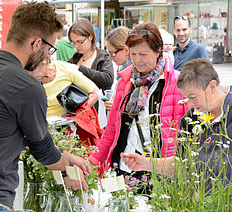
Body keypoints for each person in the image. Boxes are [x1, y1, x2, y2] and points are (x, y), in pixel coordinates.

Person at [0, 2, 91, 211]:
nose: (47, 56)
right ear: (36, 43)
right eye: (49, 48)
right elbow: (44, 154)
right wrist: (69, 168)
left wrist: (65, 155)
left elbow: (4, 133)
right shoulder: (27, 86)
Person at [88, 22, 187, 194]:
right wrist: (91, 164)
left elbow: (186, 135)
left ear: (158, 52)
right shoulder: (126, 81)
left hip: (157, 172)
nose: (137, 60)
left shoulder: (176, 84)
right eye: (133, 54)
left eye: (143, 54)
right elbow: (111, 130)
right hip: (123, 167)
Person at [121, 58, 232, 192]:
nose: (189, 105)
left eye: (193, 97)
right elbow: (182, 165)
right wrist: (146, 163)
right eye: (186, 98)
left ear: (212, 86)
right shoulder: (191, 119)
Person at [30, 58, 98, 117]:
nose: (29, 72)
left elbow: (95, 93)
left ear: (43, 63)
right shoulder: (28, 79)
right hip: (41, 124)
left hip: (68, 124)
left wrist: (78, 115)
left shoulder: (65, 69)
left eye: (32, 69)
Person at [68, 18, 114, 93]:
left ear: (90, 37)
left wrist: (80, 69)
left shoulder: (103, 56)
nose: (76, 46)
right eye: (73, 42)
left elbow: (108, 79)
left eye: (80, 42)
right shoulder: (74, 59)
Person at [104, 26, 131, 114]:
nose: (110, 57)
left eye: (112, 53)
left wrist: (118, 107)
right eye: (108, 53)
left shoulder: (137, 73)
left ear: (125, 49)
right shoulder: (122, 69)